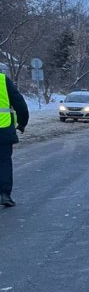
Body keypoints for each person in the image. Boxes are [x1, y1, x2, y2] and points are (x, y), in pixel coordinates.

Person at [0, 72, 29, 207]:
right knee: (4, 163)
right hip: (3, 131)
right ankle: (5, 195)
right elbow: (19, 103)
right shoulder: (2, 80)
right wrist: (22, 123)